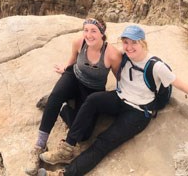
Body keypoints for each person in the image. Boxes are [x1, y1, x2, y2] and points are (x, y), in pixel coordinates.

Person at [37, 24, 188, 176]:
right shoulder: (124, 55)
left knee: (103, 142)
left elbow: (179, 83)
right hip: (119, 98)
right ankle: (67, 148)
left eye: (134, 42)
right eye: (126, 42)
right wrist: (67, 68)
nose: (129, 47)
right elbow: (104, 53)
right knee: (92, 100)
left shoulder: (157, 66)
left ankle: (64, 174)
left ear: (143, 42)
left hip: (138, 112)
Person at [25, 17, 122, 176]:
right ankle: (39, 146)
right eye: (86, 30)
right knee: (56, 96)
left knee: (84, 135)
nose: (89, 35)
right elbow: (72, 62)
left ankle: (63, 107)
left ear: (102, 33)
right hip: (73, 78)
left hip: (93, 91)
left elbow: (120, 79)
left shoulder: (111, 54)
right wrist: (64, 68)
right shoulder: (79, 42)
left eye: (93, 31)